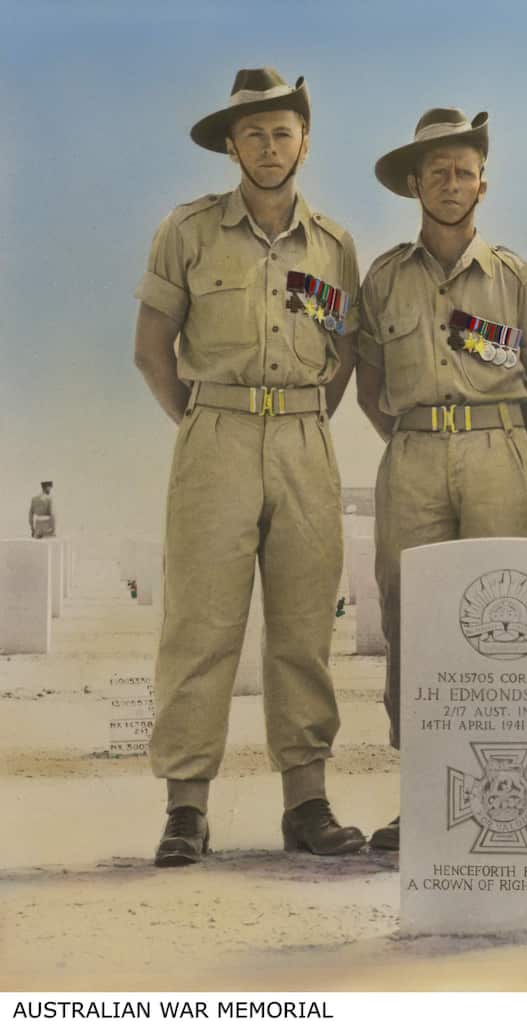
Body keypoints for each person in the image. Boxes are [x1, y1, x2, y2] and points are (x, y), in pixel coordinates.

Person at [133, 68, 365, 866]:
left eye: (283, 131)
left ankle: (306, 802)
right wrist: (207, 423)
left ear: (306, 140)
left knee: (303, 626)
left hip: (303, 440)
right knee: (201, 625)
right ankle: (187, 808)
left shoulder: (333, 246)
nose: (270, 146)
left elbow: (343, 355)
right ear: (232, 146)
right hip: (217, 438)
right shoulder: (188, 231)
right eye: (254, 133)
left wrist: (295, 421)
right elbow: (151, 349)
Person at [355, 108, 527, 852]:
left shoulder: (515, 278)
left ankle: (512, 797)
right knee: (417, 624)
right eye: (436, 171)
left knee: (507, 624)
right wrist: (420, 440)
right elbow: (369, 384)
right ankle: (422, 798)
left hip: (499, 452)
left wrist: (500, 441)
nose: (451, 183)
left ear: (483, 181)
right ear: (415, 183)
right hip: (411, 457)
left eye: (463, 170)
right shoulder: (382, 279)